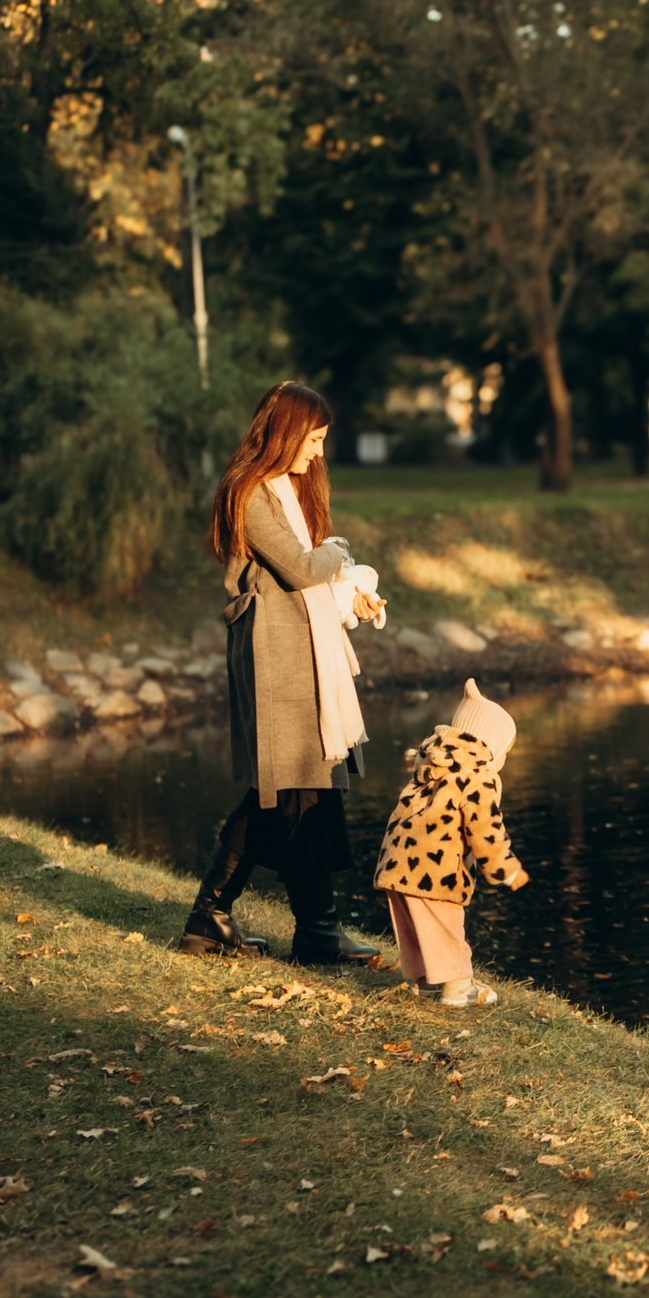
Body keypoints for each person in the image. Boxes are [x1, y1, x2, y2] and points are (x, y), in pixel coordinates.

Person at [178, 381, 384, 966]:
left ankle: (229, 921)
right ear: (288, 431)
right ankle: (293, 928)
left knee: (297, 786)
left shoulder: (286, 490)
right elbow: (300, 566)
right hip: (274, 655)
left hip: (299, 649)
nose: (318, 452)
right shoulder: (250, 493)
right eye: (314, 439)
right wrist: (342, 552)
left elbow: (314, 577)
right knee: (289, 786)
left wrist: (351, 594)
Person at [372, 679, 530, 1006]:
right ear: (491, 743)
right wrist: (506, 870)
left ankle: (424, 981)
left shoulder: (431, 758)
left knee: (414, 925)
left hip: (396, 859)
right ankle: (459, 989)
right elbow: (486, 826)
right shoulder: (477, 771)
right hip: (436, 865)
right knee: (446, 926)